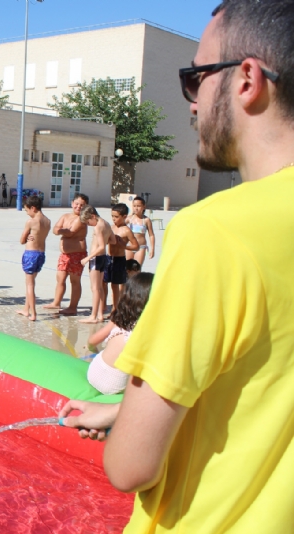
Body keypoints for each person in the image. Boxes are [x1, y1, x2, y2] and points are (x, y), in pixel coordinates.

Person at [59, 3, 294, 531]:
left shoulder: (216, 230)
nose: (191, 104)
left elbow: (130, 468)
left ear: (248, 80)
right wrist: (125, 411)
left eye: (196, 79)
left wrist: (126, 430)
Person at [83, 273, 154, 395]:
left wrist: (92, 349)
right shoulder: (147, 331)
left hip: (94, 373)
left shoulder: (119, 318)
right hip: (116, 386)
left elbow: (92, 341)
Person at [44, 193, 88, 315]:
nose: (78, 207)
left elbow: (70, 232)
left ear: (86, 207)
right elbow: (55, 228)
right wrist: (59, 230)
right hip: (64, 256)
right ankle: (56, 302)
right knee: (60, 279)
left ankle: (73, 307)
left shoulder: (82, 219)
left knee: (75, 281)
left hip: (77, 255)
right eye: (77, 204)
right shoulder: (65, 216)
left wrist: (60, 231)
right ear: (72, 203)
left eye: (82, 205)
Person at [17, 195, 51, 321]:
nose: (27, 214)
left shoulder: (31, 222)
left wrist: (26, 238)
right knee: (31, 282)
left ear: (33, 208)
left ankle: (33, 313)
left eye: (27, 211)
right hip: (41, 254)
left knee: (30, 285)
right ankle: (26, 309)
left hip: (31, 254)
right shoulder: (48, 221)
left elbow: (21, 240)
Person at [79, 206, 114, 324]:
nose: (89, 224)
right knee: (99, 287)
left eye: (88, 222)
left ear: (93, 216)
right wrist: (104, 240)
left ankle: (93, 316)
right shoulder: (107, 224)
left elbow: (101, 247)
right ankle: (100, 314)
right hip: (104, 258)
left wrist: (87, 258)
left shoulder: (98, 227)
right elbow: (113, 241)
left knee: (94, 288)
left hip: (95, 258)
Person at [102, 203, 139, 314]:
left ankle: (115, 307)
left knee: (115, 285)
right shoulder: (111, 227)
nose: (114, 219)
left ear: (124, 216)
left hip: (119, 259)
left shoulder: (126, 230)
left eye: (116, 217)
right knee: (104, 282)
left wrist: (124, 246)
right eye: (112, 216)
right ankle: (103, 305)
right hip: (108, 258)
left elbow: (136, 245)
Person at [125, 196, 155, 266]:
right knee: (127, 268)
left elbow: (151, 235)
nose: (136, 208)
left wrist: (152, 249)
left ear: (144, 207)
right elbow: (119, 227)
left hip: (141, 247)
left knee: (136, 268)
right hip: (130, 246)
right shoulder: (129, 219)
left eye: (138, 206)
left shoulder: (146, 220)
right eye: (134, 206)